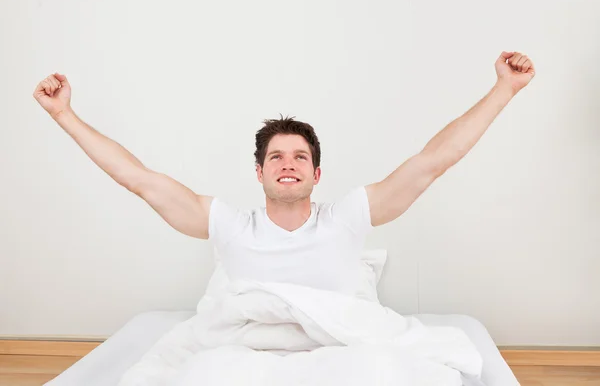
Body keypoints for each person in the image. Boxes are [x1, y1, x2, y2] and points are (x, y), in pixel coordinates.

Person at [33, 51, 535, 296]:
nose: (288, 163)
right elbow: (137, 177)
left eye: (299, 157)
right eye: (277, 157)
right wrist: (64, 116)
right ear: (259, 172)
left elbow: (433, 161)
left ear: (317, 173)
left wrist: (504, 89)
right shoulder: (229, 225)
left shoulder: (349, 217)